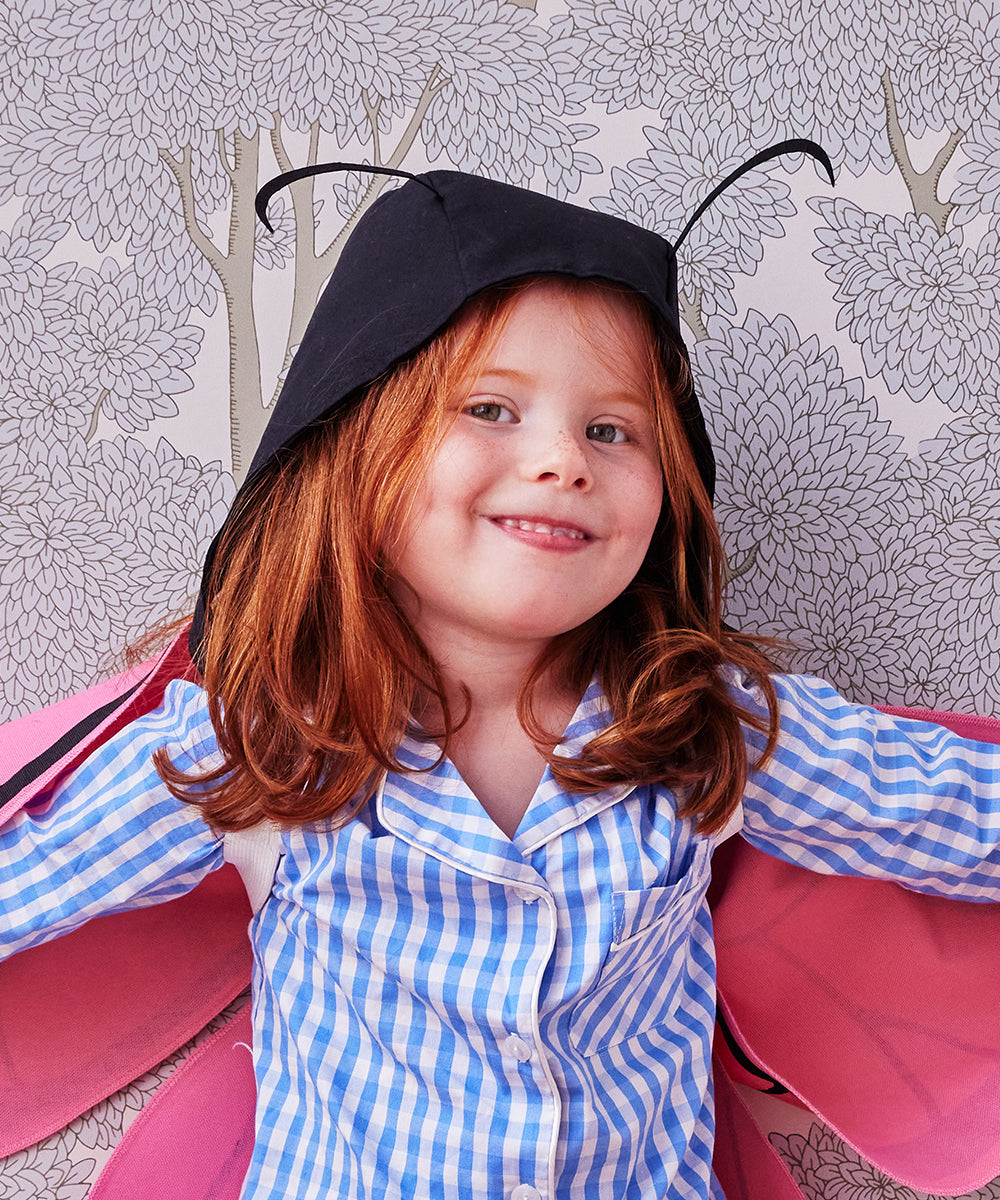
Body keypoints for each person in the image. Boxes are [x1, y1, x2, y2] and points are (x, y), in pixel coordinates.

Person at [3, 156, 1000, 1200]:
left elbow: (949, 811)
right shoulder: (264, 737)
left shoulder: (704, 727)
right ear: (355, 443)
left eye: (611, 430)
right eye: (490, 408)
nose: (563, 459)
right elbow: (38, 873)